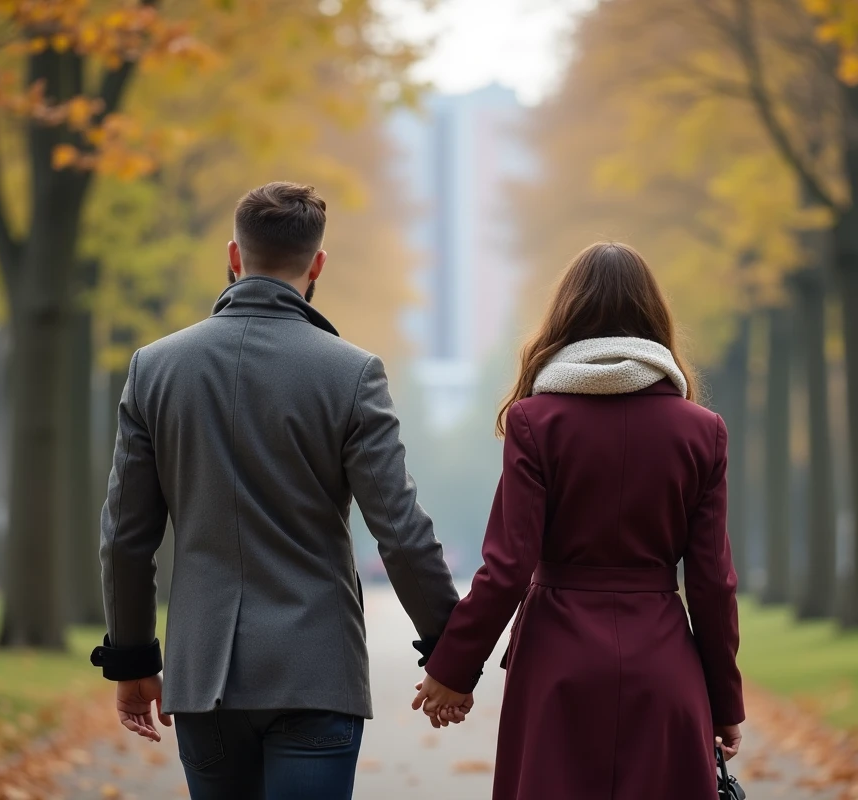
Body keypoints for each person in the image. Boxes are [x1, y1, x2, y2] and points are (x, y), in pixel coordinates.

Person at [90, 181, 467, 800]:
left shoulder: (154, 369)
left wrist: (132, 660)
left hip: (204, 674)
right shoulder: (352, 373)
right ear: (317, 264)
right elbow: (399, 531)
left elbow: (126, 538)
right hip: (316, 670)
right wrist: (452, 649)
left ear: (233, 257)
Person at [412, 241, 745, 799]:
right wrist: (724, 701)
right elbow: (712, 583)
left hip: (556, 665)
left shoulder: (534, 422)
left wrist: (453, 670)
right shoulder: (702, 431)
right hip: (663, 662)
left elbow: (508, 567)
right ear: (653, 320)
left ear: (565, 319)